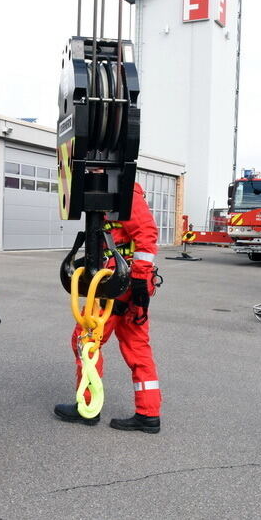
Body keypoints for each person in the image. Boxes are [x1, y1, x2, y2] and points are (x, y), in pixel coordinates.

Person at [53, 180, 163, 433]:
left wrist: (137, 277)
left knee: (85, 338)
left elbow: (146, 234)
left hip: (119, 281)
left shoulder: (124, 193)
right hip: (129, 280)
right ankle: (148, 414)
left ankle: (87, 407)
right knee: (137, 347)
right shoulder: (110, 192)